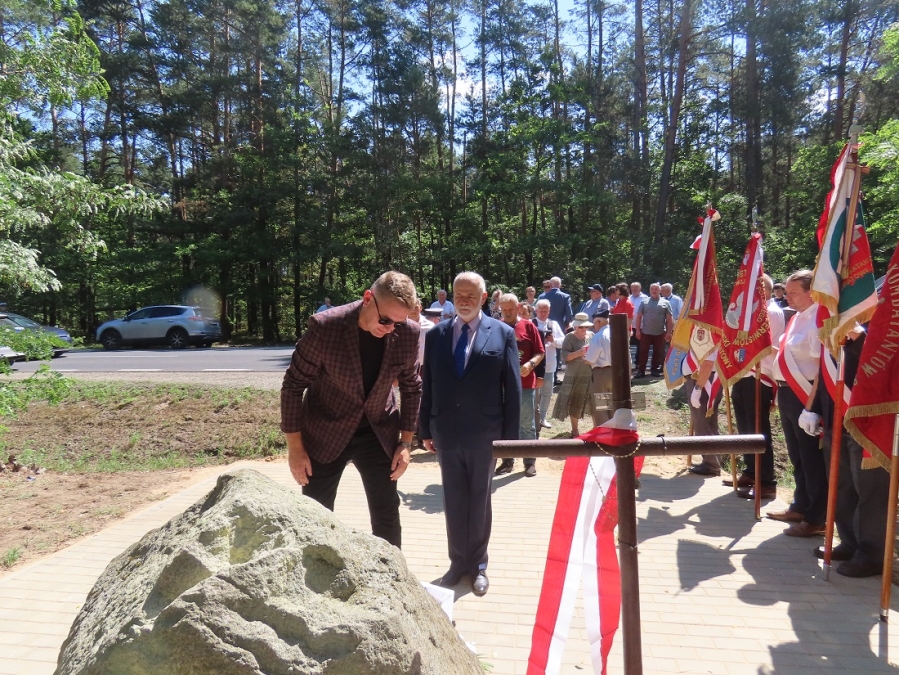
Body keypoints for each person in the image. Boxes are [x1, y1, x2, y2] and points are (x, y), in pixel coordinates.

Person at [281, 271, 421, 549]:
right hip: (325, 431)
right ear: (368, 298)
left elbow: (412, 387)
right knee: (316, 516)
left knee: (386, 514)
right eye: (385, 320)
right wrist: (295, 448)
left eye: (398, 323)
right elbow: (293, 386)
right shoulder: (326, 327)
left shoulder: (408, 333)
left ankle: (391, 572)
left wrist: (405, 443)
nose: (390, 329)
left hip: (378, 431)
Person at [419, 271, 521, 596]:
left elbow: (513, 389)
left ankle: (478, 565)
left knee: (479, 500)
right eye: (458, 295)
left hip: (485, 435)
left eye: (471, 296)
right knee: (453, 500)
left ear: (484, 297)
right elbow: (428, 384)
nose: (464, 301)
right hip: (447, 433)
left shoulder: (503, 333)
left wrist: (509, 442)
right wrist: (424, 428)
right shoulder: (436, 335)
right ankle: (457, 563)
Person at [805, 326, 890, 577]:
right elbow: (826, 371)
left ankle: (871, 553)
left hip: (867, 421)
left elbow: (883, 365)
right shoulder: (836, 320)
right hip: (836, 418)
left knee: (869, 490)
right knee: (842, 485)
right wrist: (815, 409)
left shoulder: (885, 320)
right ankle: (850, 542)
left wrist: (859, 338)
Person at [767, 269, 826, 537]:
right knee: (797, 456)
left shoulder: (817, 319)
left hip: (805, 394)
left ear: (811, 292)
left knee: (812, 459)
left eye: (793, 292)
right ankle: (800, 505)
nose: (787, 296)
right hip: (788, 392)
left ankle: (816, 517)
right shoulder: (797, 318)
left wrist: (811, 407)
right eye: (787, 292)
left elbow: (821, 368)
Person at [729, 274, 784, 499]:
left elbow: (764, 343)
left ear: (763, 291)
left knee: (758, 429)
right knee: (745, 428)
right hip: (744, 372)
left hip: (761, 374)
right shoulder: (752, 312)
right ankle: (751, 471)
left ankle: (766, 481)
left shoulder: (770, 312)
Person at [496, 293, 545, 477]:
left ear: (518, 308)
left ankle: (529, 461)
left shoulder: (529, 326)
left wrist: (530, 364)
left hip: (524, 383)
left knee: (526, 424)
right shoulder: (496, 327)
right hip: (501, 385)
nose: (507, 312)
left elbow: (540, 352)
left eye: (511, 309)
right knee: (504, 423)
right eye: (504, 309)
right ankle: (507, 461)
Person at [551, 312, 594, 436]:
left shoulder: (592, 335)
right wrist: (579, 353)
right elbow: (565, 357)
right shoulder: (569, 337)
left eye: (586, 327)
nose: (584, 329)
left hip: (589, 373)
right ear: (575, 326)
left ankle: (595, 428)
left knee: (593, 402)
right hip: (574, 374)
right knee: (575, 401)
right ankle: (575, 430)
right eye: (581, 327)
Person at [686, 355, 724, 476]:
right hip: (705, 377)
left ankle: (711, 463)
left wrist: (698, 388)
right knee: (710, 423)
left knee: (701, 423)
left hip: (703, 379)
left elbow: (708, 363)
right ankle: (713, 461)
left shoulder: (708, 342)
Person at [533, 299, 565, 429]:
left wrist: (553, 340)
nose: (543, 313)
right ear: (536, 310)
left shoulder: (553, 324)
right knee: (535, 394)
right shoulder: (531, 323)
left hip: (550, 364)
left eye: (545, 311)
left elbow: (563, 342)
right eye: (541, 311)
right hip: (535, 366)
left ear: (549, 311)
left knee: (547, 393)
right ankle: (534, 418)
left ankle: (542, 418)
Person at [634, 283, 673, 378]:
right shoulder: (644, 302)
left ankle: (654, 370)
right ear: (650, 290)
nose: (654, 291)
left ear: (660, 291)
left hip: (660, 332)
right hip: (645, 332)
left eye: (656, 289)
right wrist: (638, 331)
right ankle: (641, 370)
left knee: (658, 351)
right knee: (643, 351)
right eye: (652, 289)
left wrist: (669, 332)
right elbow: (638, 317)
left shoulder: (666, 303)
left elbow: (669, 319)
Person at [584, 309, 612, 427]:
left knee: (601, 405)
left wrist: (585, 359)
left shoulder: (598, 336)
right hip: (618, 372)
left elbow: (590, 359)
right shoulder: (619, 333)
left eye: (594, 323)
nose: (594, 326)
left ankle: (603, 431)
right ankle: (615, 429)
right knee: (615, 403)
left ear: (599, 322)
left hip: (601, 372)